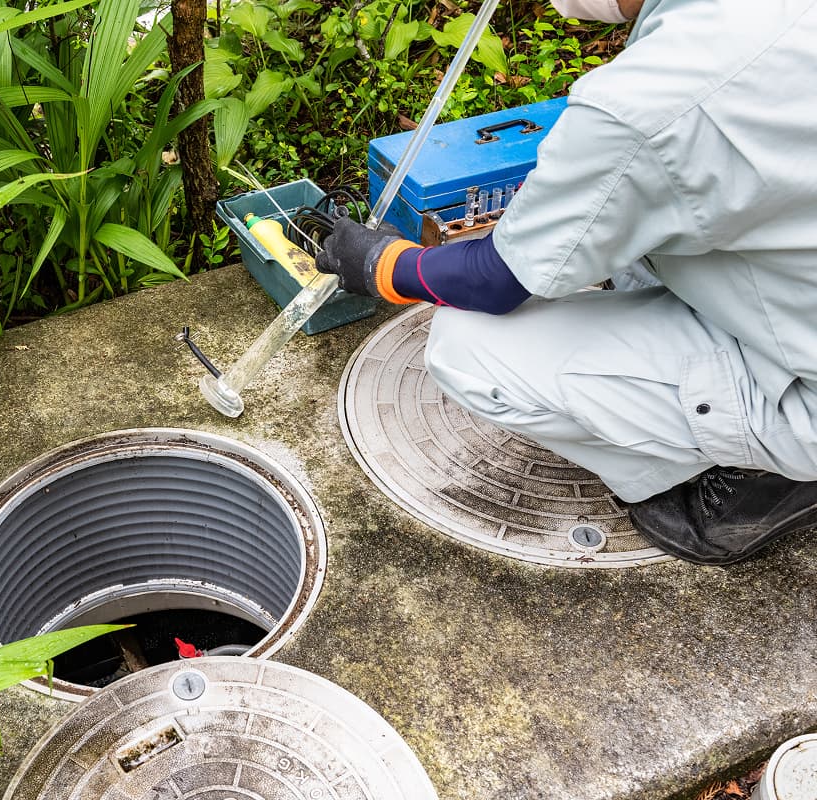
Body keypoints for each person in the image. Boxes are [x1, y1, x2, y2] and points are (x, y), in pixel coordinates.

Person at [316, 0, 817, 566]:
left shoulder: (659, 95)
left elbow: (493, 281)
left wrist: (383, 265)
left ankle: (755, 476)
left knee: (466, 346)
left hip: (806, 383)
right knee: (638, 243)